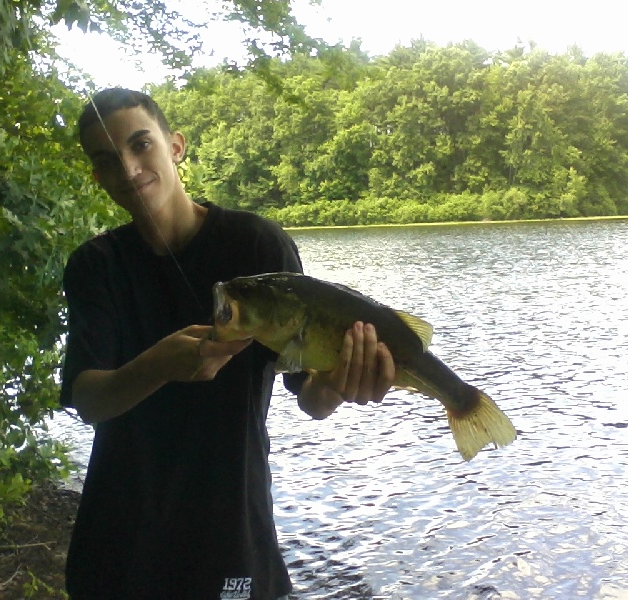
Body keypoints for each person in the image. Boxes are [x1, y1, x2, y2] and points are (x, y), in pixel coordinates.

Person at [59, 87, 395, 600]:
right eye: (107, 160)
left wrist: (345, 382)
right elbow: (88, 400)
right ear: (97, 175)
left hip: (228, 528)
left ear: (175, 146)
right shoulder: (95, 266)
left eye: (140, 145)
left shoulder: (256, 245)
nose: (128, 168)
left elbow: (311, 395)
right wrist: (159, 366)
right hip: (119, 538)